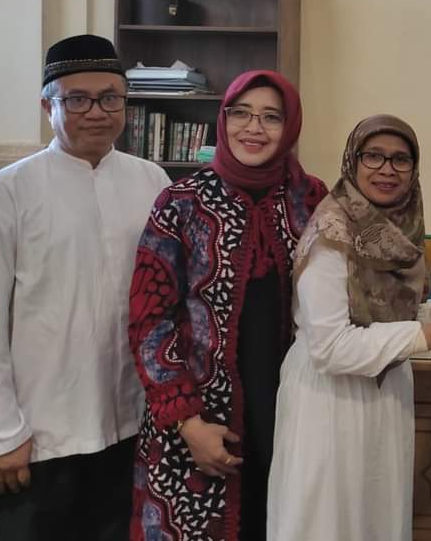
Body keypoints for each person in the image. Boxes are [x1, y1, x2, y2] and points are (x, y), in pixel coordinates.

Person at [266, 114, 431, 541]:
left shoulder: (397, 231)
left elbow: (380, 315)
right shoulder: (332, 232)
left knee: (376, 517)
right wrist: (426, 336)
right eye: (373, 156)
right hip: (329, 400)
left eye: (400, 159)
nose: (387, 169)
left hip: (384, 393)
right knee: (327, 524)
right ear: (353, 161)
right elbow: (330, 346)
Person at [128, 70, 328, 541]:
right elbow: (149, 321)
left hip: (293, 415)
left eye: (271, 117)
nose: (253, 128)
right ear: (223, 118)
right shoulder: (180, 202)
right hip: (197, 422)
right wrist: (186, 421)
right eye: (241, 113)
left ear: (290, 127)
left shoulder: (313, 200)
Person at [0, 35, 170, 540]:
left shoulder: (152, 181)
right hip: (39, 434)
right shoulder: (6, 192)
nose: (97, 112)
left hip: (130, 424)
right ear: (48, 106)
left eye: (110, 98)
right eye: (78, 99)